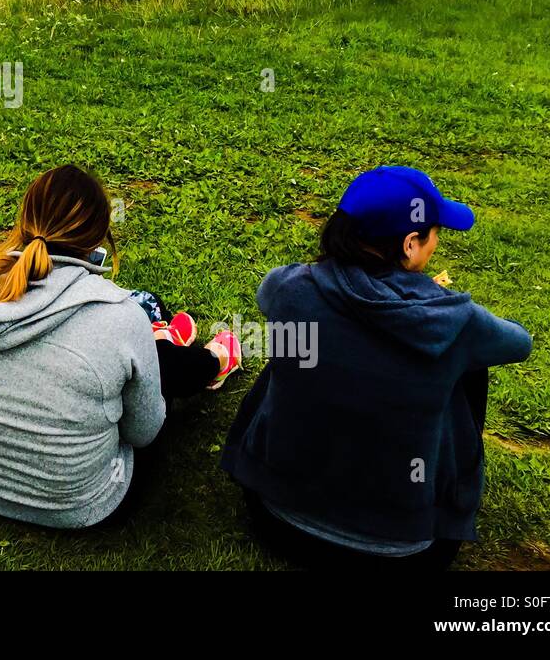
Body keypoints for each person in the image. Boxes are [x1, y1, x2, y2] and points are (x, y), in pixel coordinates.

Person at [221, 165, 533, 570]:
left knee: (299, 345)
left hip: (277, 518)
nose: (436, 242)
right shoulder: (456, 321)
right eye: (436, 233)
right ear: (409, 244)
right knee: (464, 368)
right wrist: (427, 301)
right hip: (402, 554)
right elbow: (519, 343)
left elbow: (275, 295)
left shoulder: (291, 288)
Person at [0, 164, 241, 529]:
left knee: (126, 354)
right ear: (98, 236)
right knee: (149, 369)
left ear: (24, 221)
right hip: (87, 504)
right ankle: (201, 356)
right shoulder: (119, 314)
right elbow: (143, 432)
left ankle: (166, 344)